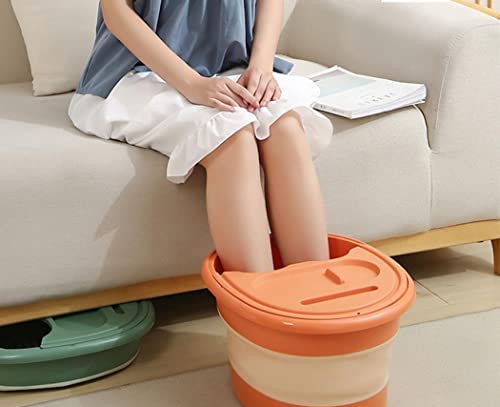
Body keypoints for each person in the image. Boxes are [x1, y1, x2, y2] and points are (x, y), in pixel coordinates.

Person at [68, 0, 334, 273]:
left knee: (285, 129)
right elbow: (116, 11)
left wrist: (262, 67)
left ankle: (316, 290)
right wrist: (193, 84)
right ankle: (255, 295)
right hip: (143, 72)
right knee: (233, 139)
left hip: (230, 65)